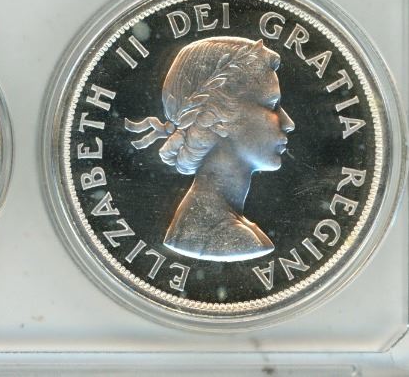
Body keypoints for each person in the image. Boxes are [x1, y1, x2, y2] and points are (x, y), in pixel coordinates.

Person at [126, 37, 295, 262]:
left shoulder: (218, 225)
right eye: (272, 105)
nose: (289, 123)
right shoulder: (228, 235)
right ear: (218, 118)